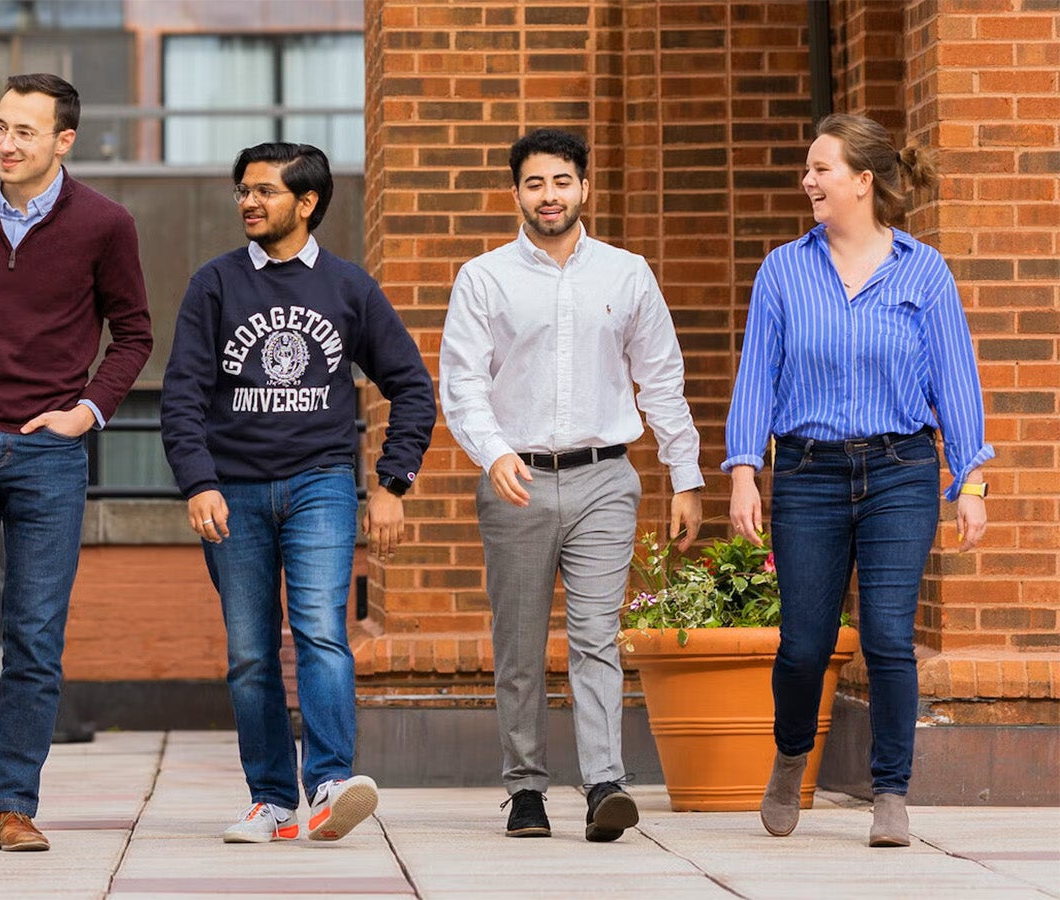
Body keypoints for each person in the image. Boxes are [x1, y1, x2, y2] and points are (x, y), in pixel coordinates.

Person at [0, 73, 152, 853]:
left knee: (36, 632)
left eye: (25, 133)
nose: (6, 145)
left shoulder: (106, 224)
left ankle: (14, 800)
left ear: (63, 141)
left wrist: (86, 412)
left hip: (50, 450)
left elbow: (134, 334)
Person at [725, 113, 991, 848]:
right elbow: (756, 379)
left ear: (863, 181)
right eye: (808, 170)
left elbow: (956, 380)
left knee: (886, 637)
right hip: (807, 473)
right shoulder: (783, 269)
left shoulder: (922, 270)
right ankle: (789, 757)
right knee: (806, 645)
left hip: (900, 472)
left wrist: (970, 480)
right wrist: (745, 471)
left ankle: (890, 793)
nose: (808, 181)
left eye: (821, 169)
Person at [160, 142, 436, 844]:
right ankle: (272, 800)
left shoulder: (347, 287)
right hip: (235, 494)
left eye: (264, 191)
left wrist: (392, 484)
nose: (248, 203)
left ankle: (331, 785)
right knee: (251, 650)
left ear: (306, 202)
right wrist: (198, 481)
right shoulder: (214, 284)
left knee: (320, 631)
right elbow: (182, 396)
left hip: (321, 485)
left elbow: (410, 387)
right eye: (242, 191)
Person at [439, 128, 704, 843]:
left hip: (604, 480)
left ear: (583, 187)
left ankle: (605, 785)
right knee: (520, 645)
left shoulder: (626, 273)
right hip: (516, 480)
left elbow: (663, 379)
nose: (549, 195)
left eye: (561, 181)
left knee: (595, 638)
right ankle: (525, 790)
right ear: (515, 193)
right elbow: (461, 384)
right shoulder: (484, 278)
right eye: (534, 183)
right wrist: (492, 453)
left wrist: (686, 476)